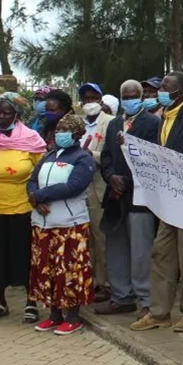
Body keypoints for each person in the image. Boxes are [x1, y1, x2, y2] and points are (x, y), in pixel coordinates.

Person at [132, 71, 183, 333]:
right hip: (168, 202)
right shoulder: (162, 118)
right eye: (162, 85)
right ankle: (159, 312)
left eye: (167, 87)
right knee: (161, 254)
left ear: (181, 93)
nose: (161, 90)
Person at [0, 92, 47, 323]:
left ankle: (31, 302)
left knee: (24, 257)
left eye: (7, 113)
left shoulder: (31, 139)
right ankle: (0, 302)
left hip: (22, 210)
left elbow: (41, 173)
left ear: (17, 115)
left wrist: (39, 197)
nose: (2, 117)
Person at [95, 80, 160, 316]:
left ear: (141, 97)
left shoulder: (153, 123)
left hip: (139, 198)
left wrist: (127, 182)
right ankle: (121, 297)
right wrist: (111, 177)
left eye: (133, 95)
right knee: (116, 248)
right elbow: (106, 157)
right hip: (115, 196)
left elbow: (154, 158)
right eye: (125, 96)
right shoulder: (114, 125)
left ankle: (146, 300)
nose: (129, 99)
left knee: (141, 250)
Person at [28, 114, 96, 335]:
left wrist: (39, 195)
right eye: (58, 128)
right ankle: (54, 315)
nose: (60, 132)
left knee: (70, 270)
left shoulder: (82, 158)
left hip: (70, 224)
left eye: (65, 129)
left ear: (76, 133)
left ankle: (73, 316)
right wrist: (35, 199)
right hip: (43, 223)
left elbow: (73, 186)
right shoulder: (48, 156)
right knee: (47, 269)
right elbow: (31, 180)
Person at [79, 82, 114, 302]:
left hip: (99, 186)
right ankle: (88, 280)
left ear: (101, 100)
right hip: (78, 189)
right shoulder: (76, 124)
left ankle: (106, 284)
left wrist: (89, 155)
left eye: (93, 98)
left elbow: (113, 156)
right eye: (85, 99)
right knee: (86, 238)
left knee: (102, 238)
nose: (89, 103)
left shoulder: (111, 123)